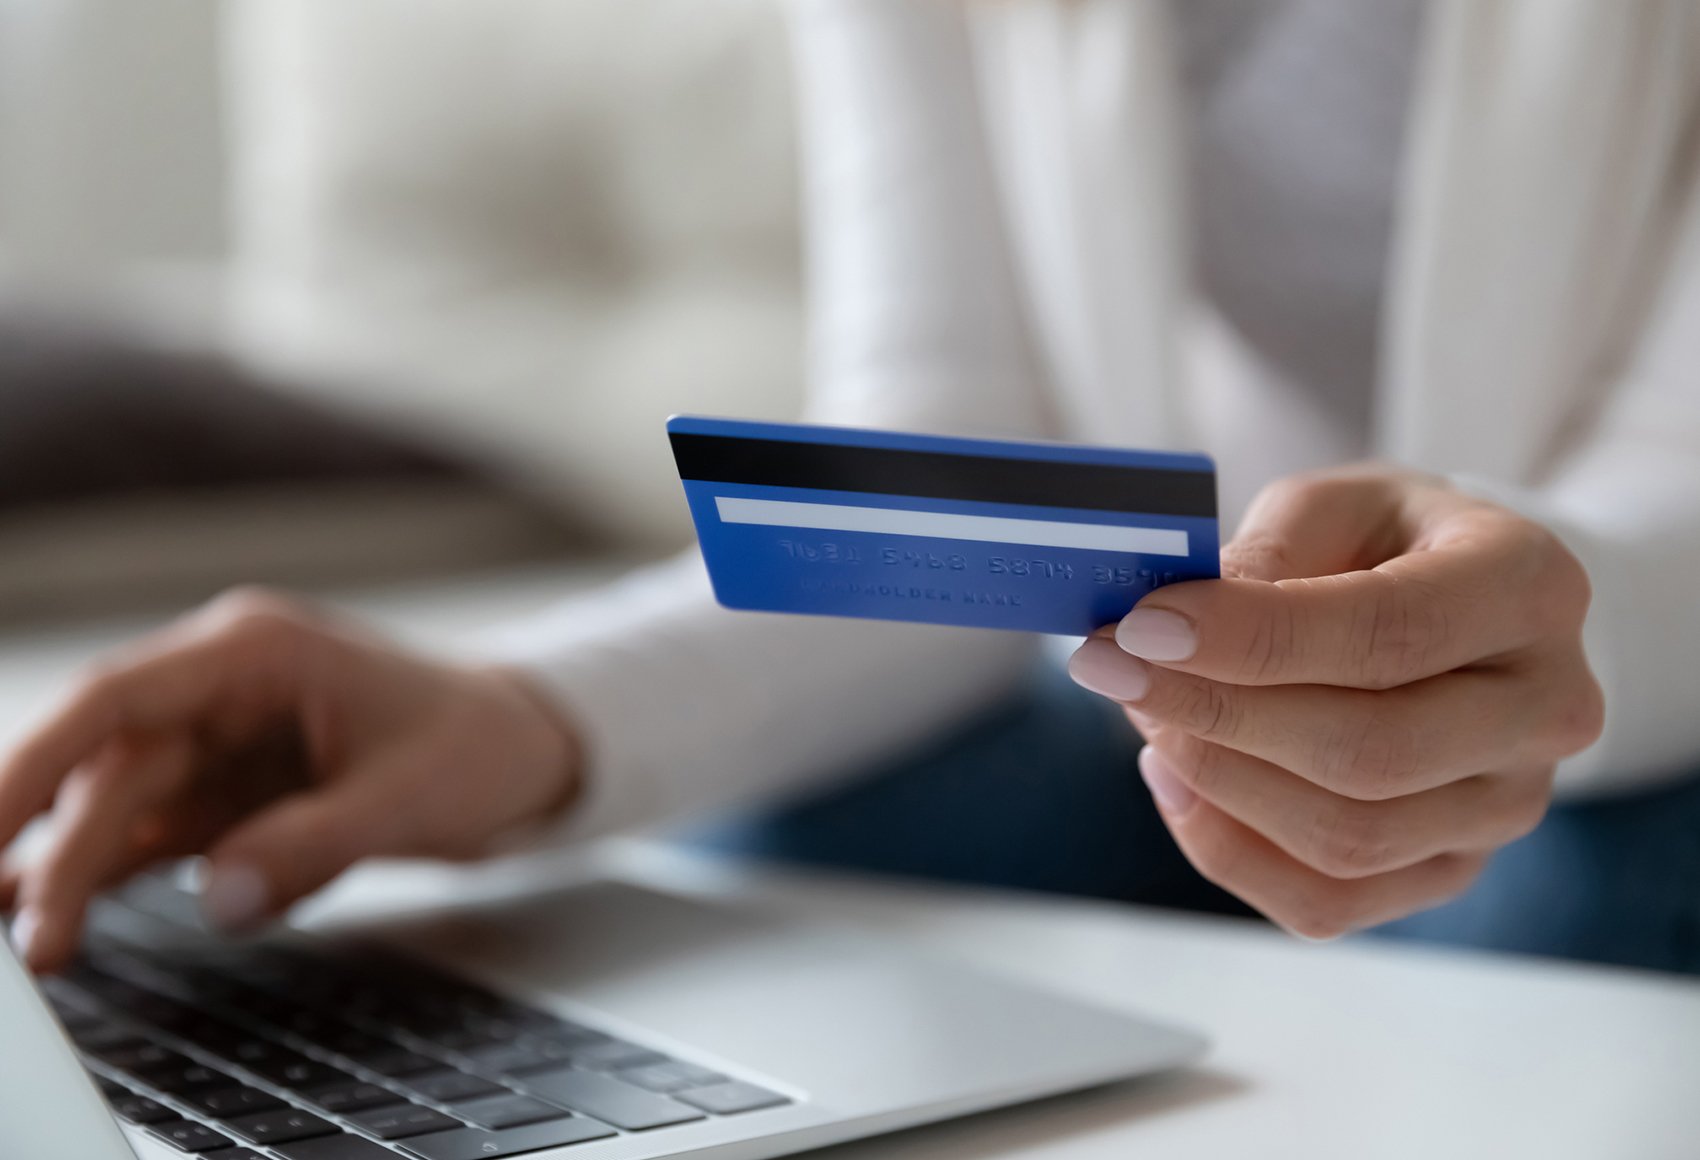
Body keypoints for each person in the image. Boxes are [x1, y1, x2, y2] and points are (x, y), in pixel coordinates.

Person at [4, 0, 1700, 976]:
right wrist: (517, 717)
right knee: (786, 845)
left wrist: (1507, 661)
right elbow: (966, 453)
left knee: (1550, 901)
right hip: (1197, 656)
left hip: (1631, 662)